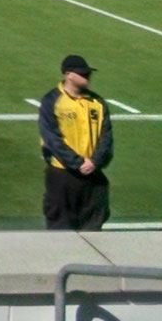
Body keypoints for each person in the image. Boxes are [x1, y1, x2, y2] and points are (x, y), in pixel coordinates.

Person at [39, 54, 112, 230]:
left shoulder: (97, 102)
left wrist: (95, 162)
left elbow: (106, 137)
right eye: (82, 73)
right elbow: (51, 138)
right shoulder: (52, 101)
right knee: (60, 226)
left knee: (94, 225)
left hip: (92, 174)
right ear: (68, 74)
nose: (87, 76)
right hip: (63, 175)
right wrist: (77, 162)